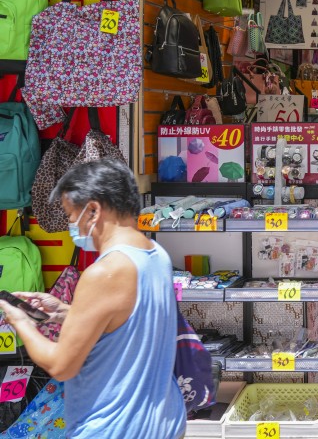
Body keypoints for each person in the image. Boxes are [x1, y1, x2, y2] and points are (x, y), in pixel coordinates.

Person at [0, 159, 186, 438]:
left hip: (115, 429)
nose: (70, 224)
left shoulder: (103, 273)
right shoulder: (155, 255)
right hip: (164, 423)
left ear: (94, 210)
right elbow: (125, 324)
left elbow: (61, 365)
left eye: (71, 214)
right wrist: (65, 312)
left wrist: (20, 321)